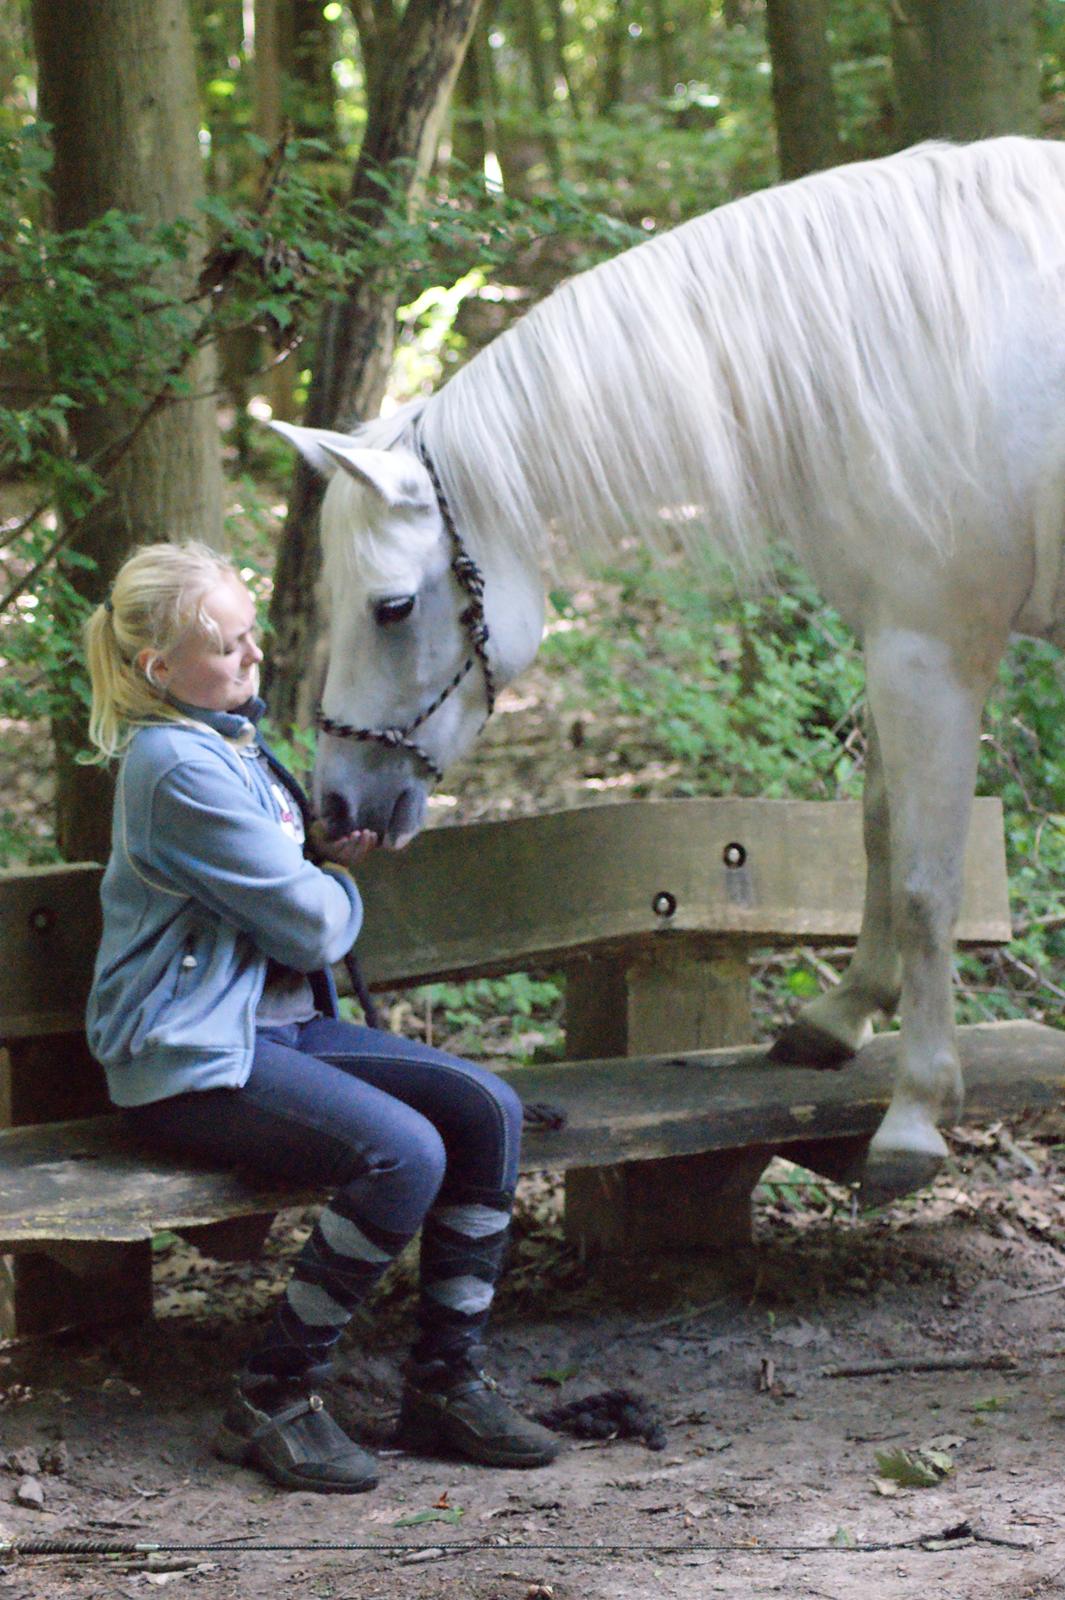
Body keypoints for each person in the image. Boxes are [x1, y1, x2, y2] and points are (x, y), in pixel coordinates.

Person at [83, 539, 559, 1493]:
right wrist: (335, 880)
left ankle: (442, 1381)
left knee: (486, 1111)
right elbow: (307, 927)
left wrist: (309, 849)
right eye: (229, 646)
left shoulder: (227, 740)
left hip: (272, 1030)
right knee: (405, 1153)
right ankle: (271, 1396)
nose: (254, 658)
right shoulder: (175, 765)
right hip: (186, 1054)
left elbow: (273, 875)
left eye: (251, 635)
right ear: (158, 669)